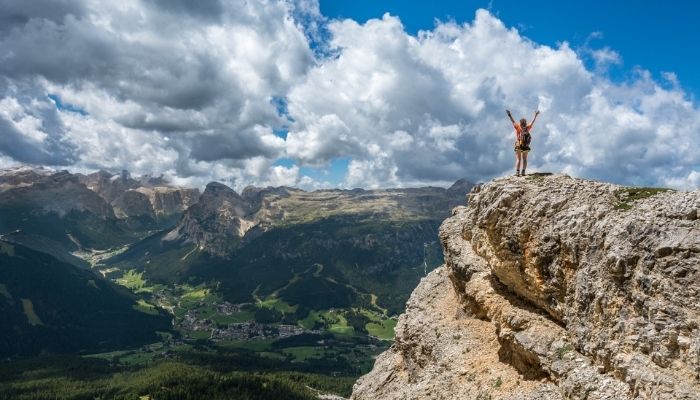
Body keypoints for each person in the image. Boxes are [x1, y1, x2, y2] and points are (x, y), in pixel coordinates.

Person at [506, 109, 539, 176]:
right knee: (525, 159)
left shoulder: (518, 127)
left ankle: (517, 172)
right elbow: (532, 121)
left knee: (518, 159)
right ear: (525, 123)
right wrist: (535, 115)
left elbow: (513, 121)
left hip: (518, 144)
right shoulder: (528, 127)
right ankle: (523, 172)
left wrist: (509, 115)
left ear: (520, 123)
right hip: (526, 146)